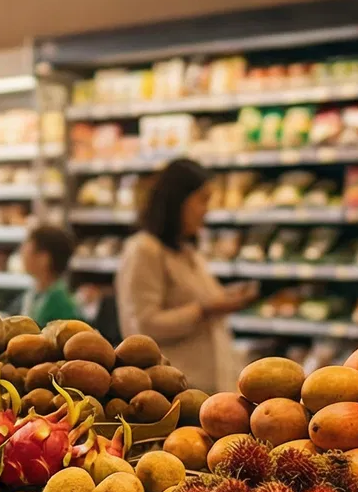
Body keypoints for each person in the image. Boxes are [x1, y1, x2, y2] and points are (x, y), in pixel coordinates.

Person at [115, 158, 256, 392]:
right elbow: (141, 326)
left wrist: (228, 297)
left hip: (211, 389)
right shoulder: (144, 250)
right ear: (177, 200)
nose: (207, 210)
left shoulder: (188, 251)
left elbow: (205, 299)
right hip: (173, 391)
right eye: (202, 200)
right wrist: (203, 310)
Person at [20, 224, 84, 324]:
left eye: (27, 250)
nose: (22, 255)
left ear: (44, 259)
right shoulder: (38, 293)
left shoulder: (61, 304)